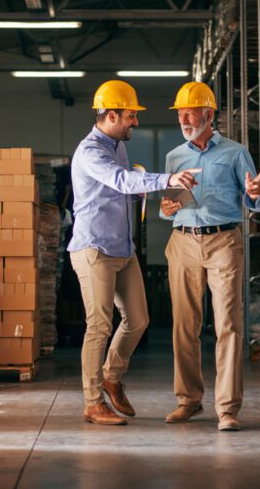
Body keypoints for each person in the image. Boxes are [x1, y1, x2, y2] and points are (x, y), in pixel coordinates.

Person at [68, 79, 202, 426]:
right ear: (111, 115)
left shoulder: (117, 144)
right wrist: (167, 180)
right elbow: (122, 181)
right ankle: (93, 401)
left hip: (121, 249)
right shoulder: (91, 151)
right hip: (94, 248)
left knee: (138, 320)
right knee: (98, 325)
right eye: (130, 116)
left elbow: (126, 184)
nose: (135, 122)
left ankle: (112, 377)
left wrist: (145, 190)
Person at [159, 81, 260, 432]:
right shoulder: (175, 156)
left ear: (209, 114)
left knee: (228, 326)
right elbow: (167, 208)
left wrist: (255, 193)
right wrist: (166, 206)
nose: (184, 118)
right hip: (183, 240)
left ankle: (227, 409)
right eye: (180, 113)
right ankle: (188, 401)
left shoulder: (236, 152)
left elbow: (256, 200)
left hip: (223, 242)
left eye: (190, 112)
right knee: (184, 326)